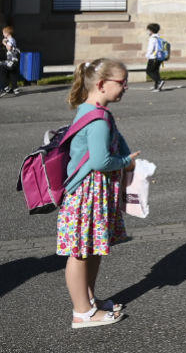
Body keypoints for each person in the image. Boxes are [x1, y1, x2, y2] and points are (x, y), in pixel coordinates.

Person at [58, 58, 138, 328]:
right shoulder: (97, 120)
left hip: (93, 191)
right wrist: (126, 163)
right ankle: (81, 312)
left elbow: (115, 142)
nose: (126, 86)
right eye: (122, 82)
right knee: (80, 251)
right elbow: (100, 161)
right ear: (102, 84)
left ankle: (89, 301)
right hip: (86, 192)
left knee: (91, 248)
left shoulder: (95, 110)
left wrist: (126, 155)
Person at [0, 24, 23, 96]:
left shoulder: (10, 40)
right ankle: (15, 89)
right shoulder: (12, 39)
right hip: (14, 60)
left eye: (3, 33)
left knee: (1, 69)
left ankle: (6, 88)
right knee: (12, 74)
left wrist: (4, 43)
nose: (3, 34)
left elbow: (9, 48)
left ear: (7, 33)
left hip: (11, 61)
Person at [144, 23, 165, 92]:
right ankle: (157, 87)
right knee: (155, 71)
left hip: (153, 57)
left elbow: (151, 48)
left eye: (148, 30)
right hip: (159, 57)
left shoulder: (152, 38)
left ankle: (159, 81)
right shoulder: (158, 37)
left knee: (149, 71)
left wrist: (147, 55)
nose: (147, 31)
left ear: (151, 30)